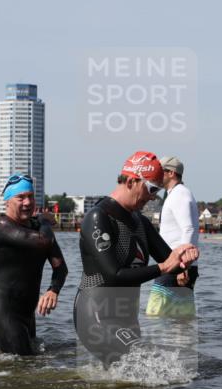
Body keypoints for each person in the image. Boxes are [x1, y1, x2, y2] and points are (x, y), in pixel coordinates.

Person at [74, 152, 199, 366]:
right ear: (132, 181)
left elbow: (170, 262)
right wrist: (162, 267)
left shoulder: (140, 222)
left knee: (133, 385)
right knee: (150, 365)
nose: (152, 197)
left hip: (127, 319)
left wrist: (184, 261)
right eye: (151, 189)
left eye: (157, 191)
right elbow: (113, 275)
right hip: (96, 317)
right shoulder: (99, 217)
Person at [0, 173, 68, 355]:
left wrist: (53, 290)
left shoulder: (37, 229)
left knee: (30, 362)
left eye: (30, 196)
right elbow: (44, 240)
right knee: (23, 366)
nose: (27, 202)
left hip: (27, 314)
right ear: (7, 201)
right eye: (20, 197)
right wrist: (44, 220)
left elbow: (61, 268)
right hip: (3, 312)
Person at [146, 156, 200, 318]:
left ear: (170, 173)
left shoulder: (179, 195)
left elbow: (188, 229)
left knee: (154, 313)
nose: (154, 176)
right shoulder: (177, 194)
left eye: (158, 172)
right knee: (181, 320)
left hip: (176, 267)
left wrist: (182, 266)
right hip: (179, 265)